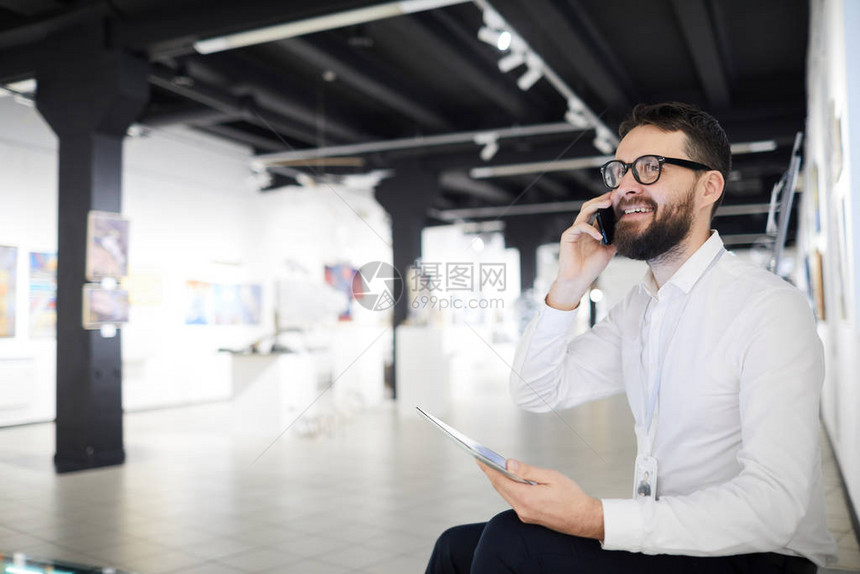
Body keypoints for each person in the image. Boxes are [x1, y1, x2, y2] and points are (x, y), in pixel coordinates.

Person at [426, 102, 837, 574]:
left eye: (650, 168)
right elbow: (536, 390)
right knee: (454, 546)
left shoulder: (769, 308)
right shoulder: (640, 308)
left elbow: (776, 508)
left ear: (709, 186)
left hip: (760, 555)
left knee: (510, 540)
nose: (625, 187)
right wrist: (570, 285)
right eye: (619, 171)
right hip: (673, 535)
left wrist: (595, 518)